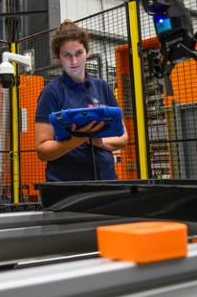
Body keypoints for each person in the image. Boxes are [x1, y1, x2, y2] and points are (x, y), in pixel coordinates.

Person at [34, 20, 129, 181]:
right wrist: (75, 141)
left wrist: (100, 142)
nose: (74, 61)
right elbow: (42, 150)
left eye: (78, 53)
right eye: (67, 55)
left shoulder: (103, 87)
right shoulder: (52, 92)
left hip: (107, 181)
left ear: (87, 52)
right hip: (68, 187)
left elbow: (123, 137)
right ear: (58, 57)